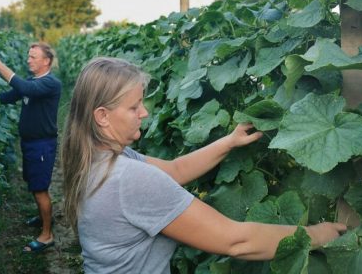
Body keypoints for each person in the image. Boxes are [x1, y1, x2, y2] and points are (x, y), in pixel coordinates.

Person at [61, 57, 346, 273]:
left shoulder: (100, 159)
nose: (145, 113)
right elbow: (236, 242)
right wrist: (317, 235)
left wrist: (229, 142)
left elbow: (175, 171)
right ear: (102, 116)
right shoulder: (129, 178)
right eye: (134, 107)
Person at [0, 43, 61, 253]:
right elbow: (9, 97)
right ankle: (42, 218)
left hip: (42, 145)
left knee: (40, 189)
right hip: (30, 143)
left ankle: (47, 236)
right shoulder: (33, 81)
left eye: (34, 57)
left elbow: (26, 90)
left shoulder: (50, 83)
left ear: (46, 61)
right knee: (34, 183)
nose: (29, 60)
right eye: (29, 56)